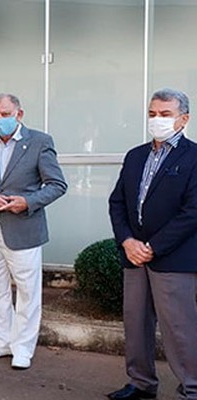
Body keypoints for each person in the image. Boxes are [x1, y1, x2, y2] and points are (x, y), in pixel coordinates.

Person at [0, 93, 67, 370]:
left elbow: (57, 184)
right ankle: (2, 342)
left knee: (27, 292)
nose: (1, 119)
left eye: (5, 114)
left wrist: (27, 202)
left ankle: (23, 348)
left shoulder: (40, 142)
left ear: (19, 114)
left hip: (24, 230)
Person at [108, 88, 197, 400]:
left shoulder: (194, 157)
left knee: (180, 329)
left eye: (165, 114)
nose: (156, 119)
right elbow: (117, 203)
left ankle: (192, 387)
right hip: (134, 256)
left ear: (183, 119)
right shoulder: (135, 156)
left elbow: (192, 212)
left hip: (173, 258)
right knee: (136, 324)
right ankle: (141, 383)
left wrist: (153, 247)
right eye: (152, 113)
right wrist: (128, 241)